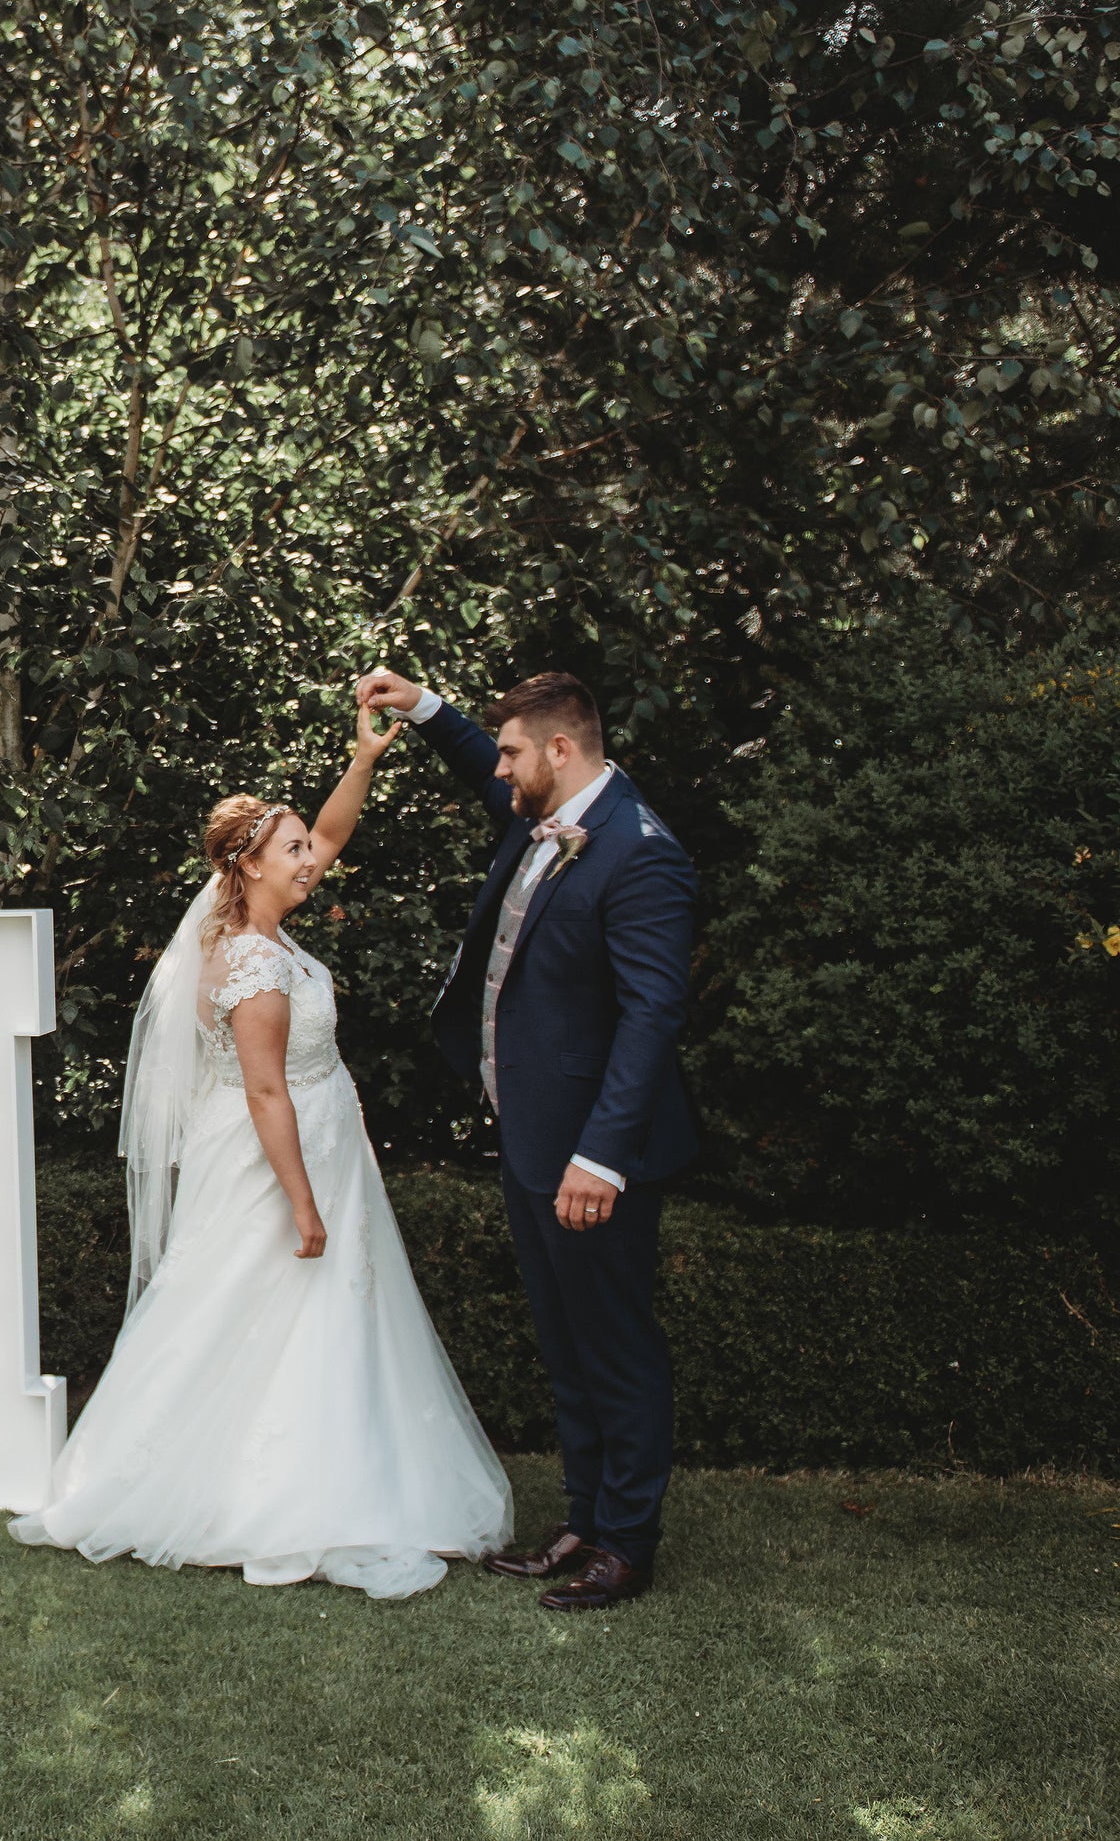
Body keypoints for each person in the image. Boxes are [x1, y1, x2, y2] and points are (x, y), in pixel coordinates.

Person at [10, 701, 511, 1597]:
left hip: (319, 1143)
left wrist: (362, 759)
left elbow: (330, 829)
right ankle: (236, 1493)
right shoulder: (251, 963)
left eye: (303, 850)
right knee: (248, 1304)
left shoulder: (270, 935)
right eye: (290, 851)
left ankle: (316, 1469)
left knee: (300, 1319)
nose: (310, 858)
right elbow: (266, 1090)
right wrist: (305, 1200)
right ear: (247, 866)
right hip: (275, 1159)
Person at [354, 667, 698, 1611]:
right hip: (532, 1141)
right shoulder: (540, 807)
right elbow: (482, 759)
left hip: (593, 1157)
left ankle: (627, 1543)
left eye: (513, 753)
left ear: (560, 750)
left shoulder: (640, 855)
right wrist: (425, 709)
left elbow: (652, 1017)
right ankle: (584, 1521)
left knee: (617, 1347)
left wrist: (602, 1158)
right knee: (568, 1343)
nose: (498, 771)